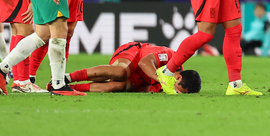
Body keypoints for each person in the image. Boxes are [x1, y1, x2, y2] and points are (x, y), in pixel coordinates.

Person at [65, 42, 201, 94]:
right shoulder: (172, 57)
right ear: (178, 76)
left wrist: (137, 88)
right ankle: (67, 78)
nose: (174, 90)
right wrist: (161, 79)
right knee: (121, 72)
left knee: (119, 87)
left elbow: (143, 89)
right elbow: (144, 62)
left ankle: (70, 89)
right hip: (134, 54)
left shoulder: (166, 88)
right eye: (177, 88)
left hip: (139, 77)